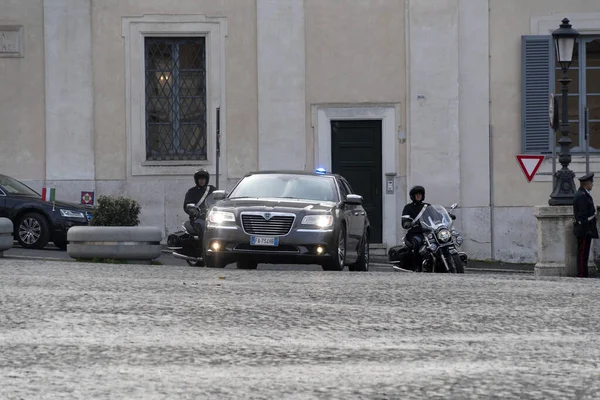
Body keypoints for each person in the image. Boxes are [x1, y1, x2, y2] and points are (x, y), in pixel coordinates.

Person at [573, 172, 598, 278]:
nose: (592, 184)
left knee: (584, 254)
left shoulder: (584, 194)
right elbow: (583, 215)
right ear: (587, 183)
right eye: (591, 182)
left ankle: (584, 273)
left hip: (586, 228)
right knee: (582, 254)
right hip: (583, 229)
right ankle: (582, 274)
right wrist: (587, 229)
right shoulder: (582, 195)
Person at [401, 185, 429, 272]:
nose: (418, 196)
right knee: (418, 242)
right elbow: (405, 219)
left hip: (428, 232)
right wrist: (407, 222)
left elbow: (436, 215)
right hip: (415, 232)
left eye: (420, 194)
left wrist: (446, 216)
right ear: (413, 196)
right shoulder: (408, 207)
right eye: (416, 194)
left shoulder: (427, 206)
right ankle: (417, 265)